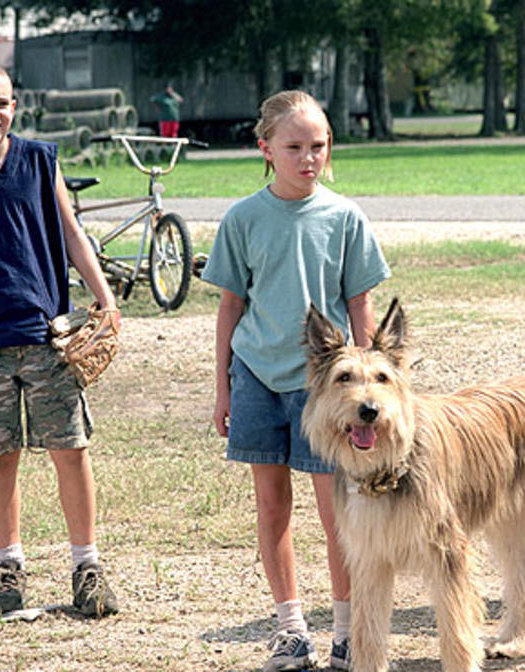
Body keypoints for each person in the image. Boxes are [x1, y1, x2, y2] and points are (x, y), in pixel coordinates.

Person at [201, 90, 390, 672]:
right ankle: (290, 629)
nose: (308, 158)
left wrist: (372, 387)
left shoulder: (344, 216)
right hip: (257, 376)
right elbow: (230, 308)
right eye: (294, 147)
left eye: (318, 146)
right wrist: (224, 386)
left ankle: (344, 631)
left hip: (326, 388)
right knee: (271, 504)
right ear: (266, 149)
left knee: (338, 510)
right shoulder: (243, 218)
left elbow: (362, 306)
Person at [0, 60, 121, 619]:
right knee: (0, 455)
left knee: (70, 448)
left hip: (47, 335)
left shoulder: (39, 161)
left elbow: (71, 233)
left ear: (16, 105)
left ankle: (87, 567)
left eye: (4, 102)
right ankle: (9, 570)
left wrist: (104, 297)